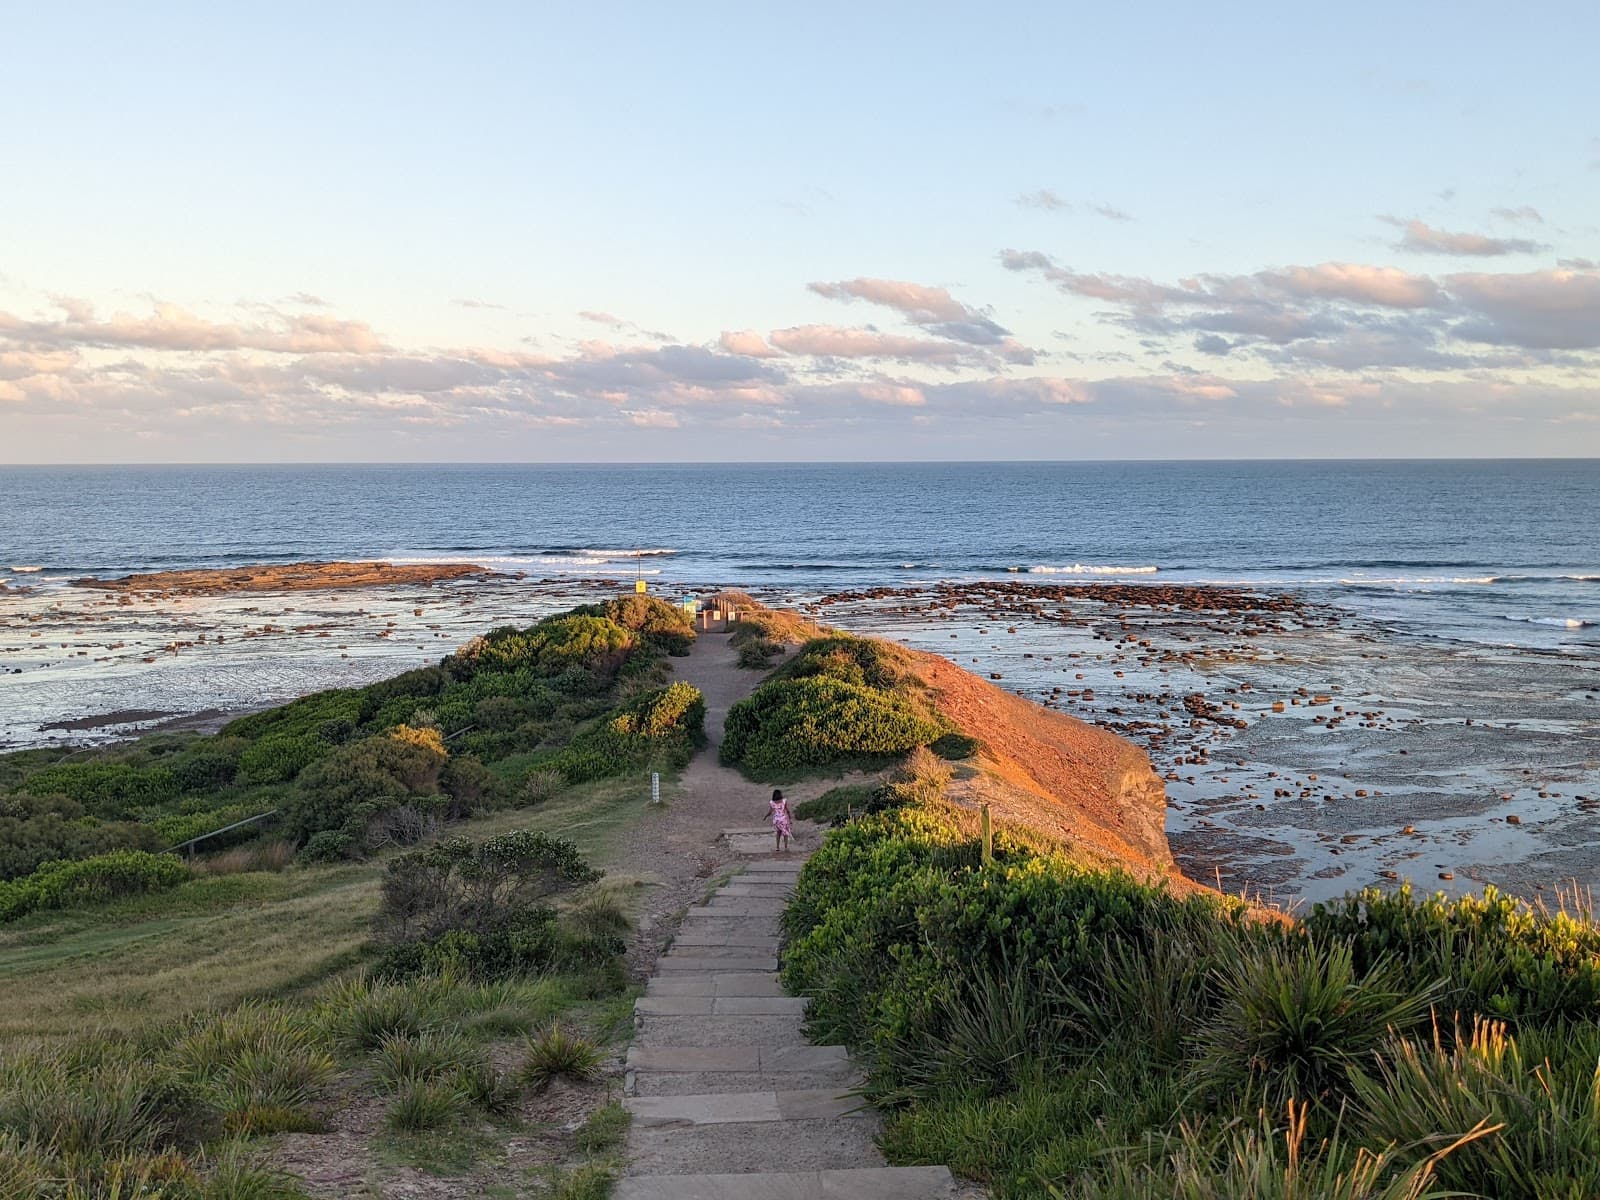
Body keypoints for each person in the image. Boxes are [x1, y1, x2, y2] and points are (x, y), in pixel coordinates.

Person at [766, 787, 793, 853]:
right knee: (785, 834)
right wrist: (790, 818)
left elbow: (770, 812)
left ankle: (777, 847)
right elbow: (787, 810)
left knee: (778, 833)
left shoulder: (772, 802)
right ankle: (786, 847)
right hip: (783, 819)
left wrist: (765, 816)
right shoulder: (784, 801)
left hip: (776, 820)